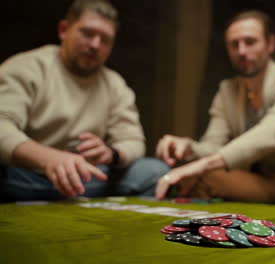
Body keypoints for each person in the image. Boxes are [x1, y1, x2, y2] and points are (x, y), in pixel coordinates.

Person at [155, 10, 275, 207]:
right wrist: (189, 148)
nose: (242, 51)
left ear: (270, 44)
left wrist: (198, 166)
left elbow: (267, 136)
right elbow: (214, 147)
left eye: (250, 42)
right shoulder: (227, 91)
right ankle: (230, 232)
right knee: (200, 177)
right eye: (234, 44)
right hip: (262, 184)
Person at [0, 0, 169, 201]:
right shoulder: (26, 67)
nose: (95, 45)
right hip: (26, 177)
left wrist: (111, 153)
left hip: (90, 180)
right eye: (87, 33)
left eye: (105, 39)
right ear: (64, 30)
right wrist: (50, 159)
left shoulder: (114, 84)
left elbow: (133, 140)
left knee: (154, 170)